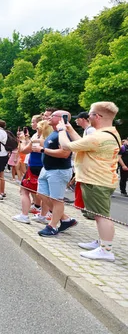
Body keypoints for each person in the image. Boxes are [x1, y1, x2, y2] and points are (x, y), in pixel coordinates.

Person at [58, 102, 121, 261]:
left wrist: (61, 130)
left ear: (97, 117)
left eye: (90, 114)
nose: (88, 116)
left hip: (96, 181)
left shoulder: (98, 137)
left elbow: (66, 146)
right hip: (104, 180)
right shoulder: (110, 133)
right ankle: (102, 242)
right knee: (101, 215)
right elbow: (84, 144)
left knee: (102, 216)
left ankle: (106, 250)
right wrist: (70, 129)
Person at [30, 110, 77, 237]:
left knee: (57, 200)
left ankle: (52, 226)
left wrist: (43, 150)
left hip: (59, 170)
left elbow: (65, 153)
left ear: (62, 118)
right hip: (47, 169)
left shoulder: (64, 134)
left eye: (53, 116)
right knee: (42, 194)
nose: (49, 117)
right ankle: (66, 219)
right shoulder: (54, 133)